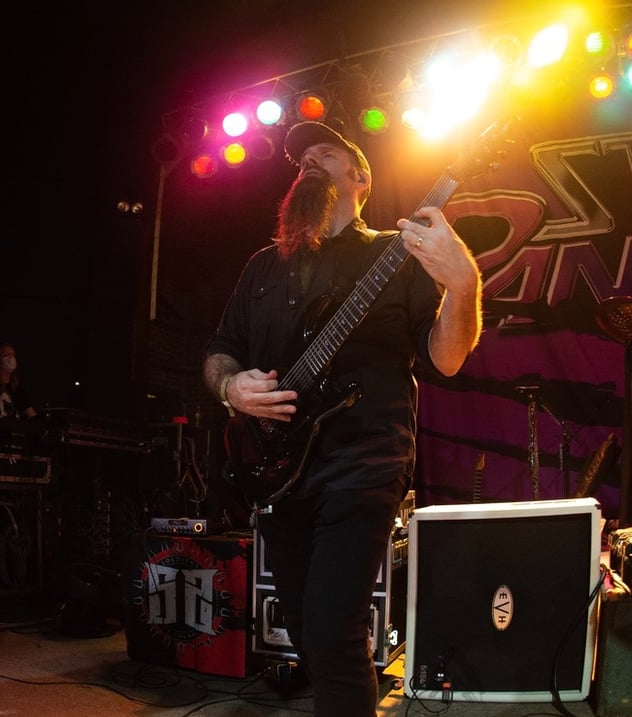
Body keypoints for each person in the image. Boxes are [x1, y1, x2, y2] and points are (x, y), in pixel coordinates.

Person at [202, 120, 482, 716]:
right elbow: (219, 350)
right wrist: (231, 386)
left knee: (332, 633)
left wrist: (461, 286)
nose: (308, 161)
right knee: (308, 635)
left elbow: (447, 360)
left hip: (363, 462)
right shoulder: (262, 268)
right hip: (276, 470)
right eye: (301, 158)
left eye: (324, 154)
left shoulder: (394, 253)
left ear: (361, 178)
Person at [0, 342, 37, 419]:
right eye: (6, 355)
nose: (11, 358)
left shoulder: (18, 389)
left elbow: (31, 414)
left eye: (13, 355)